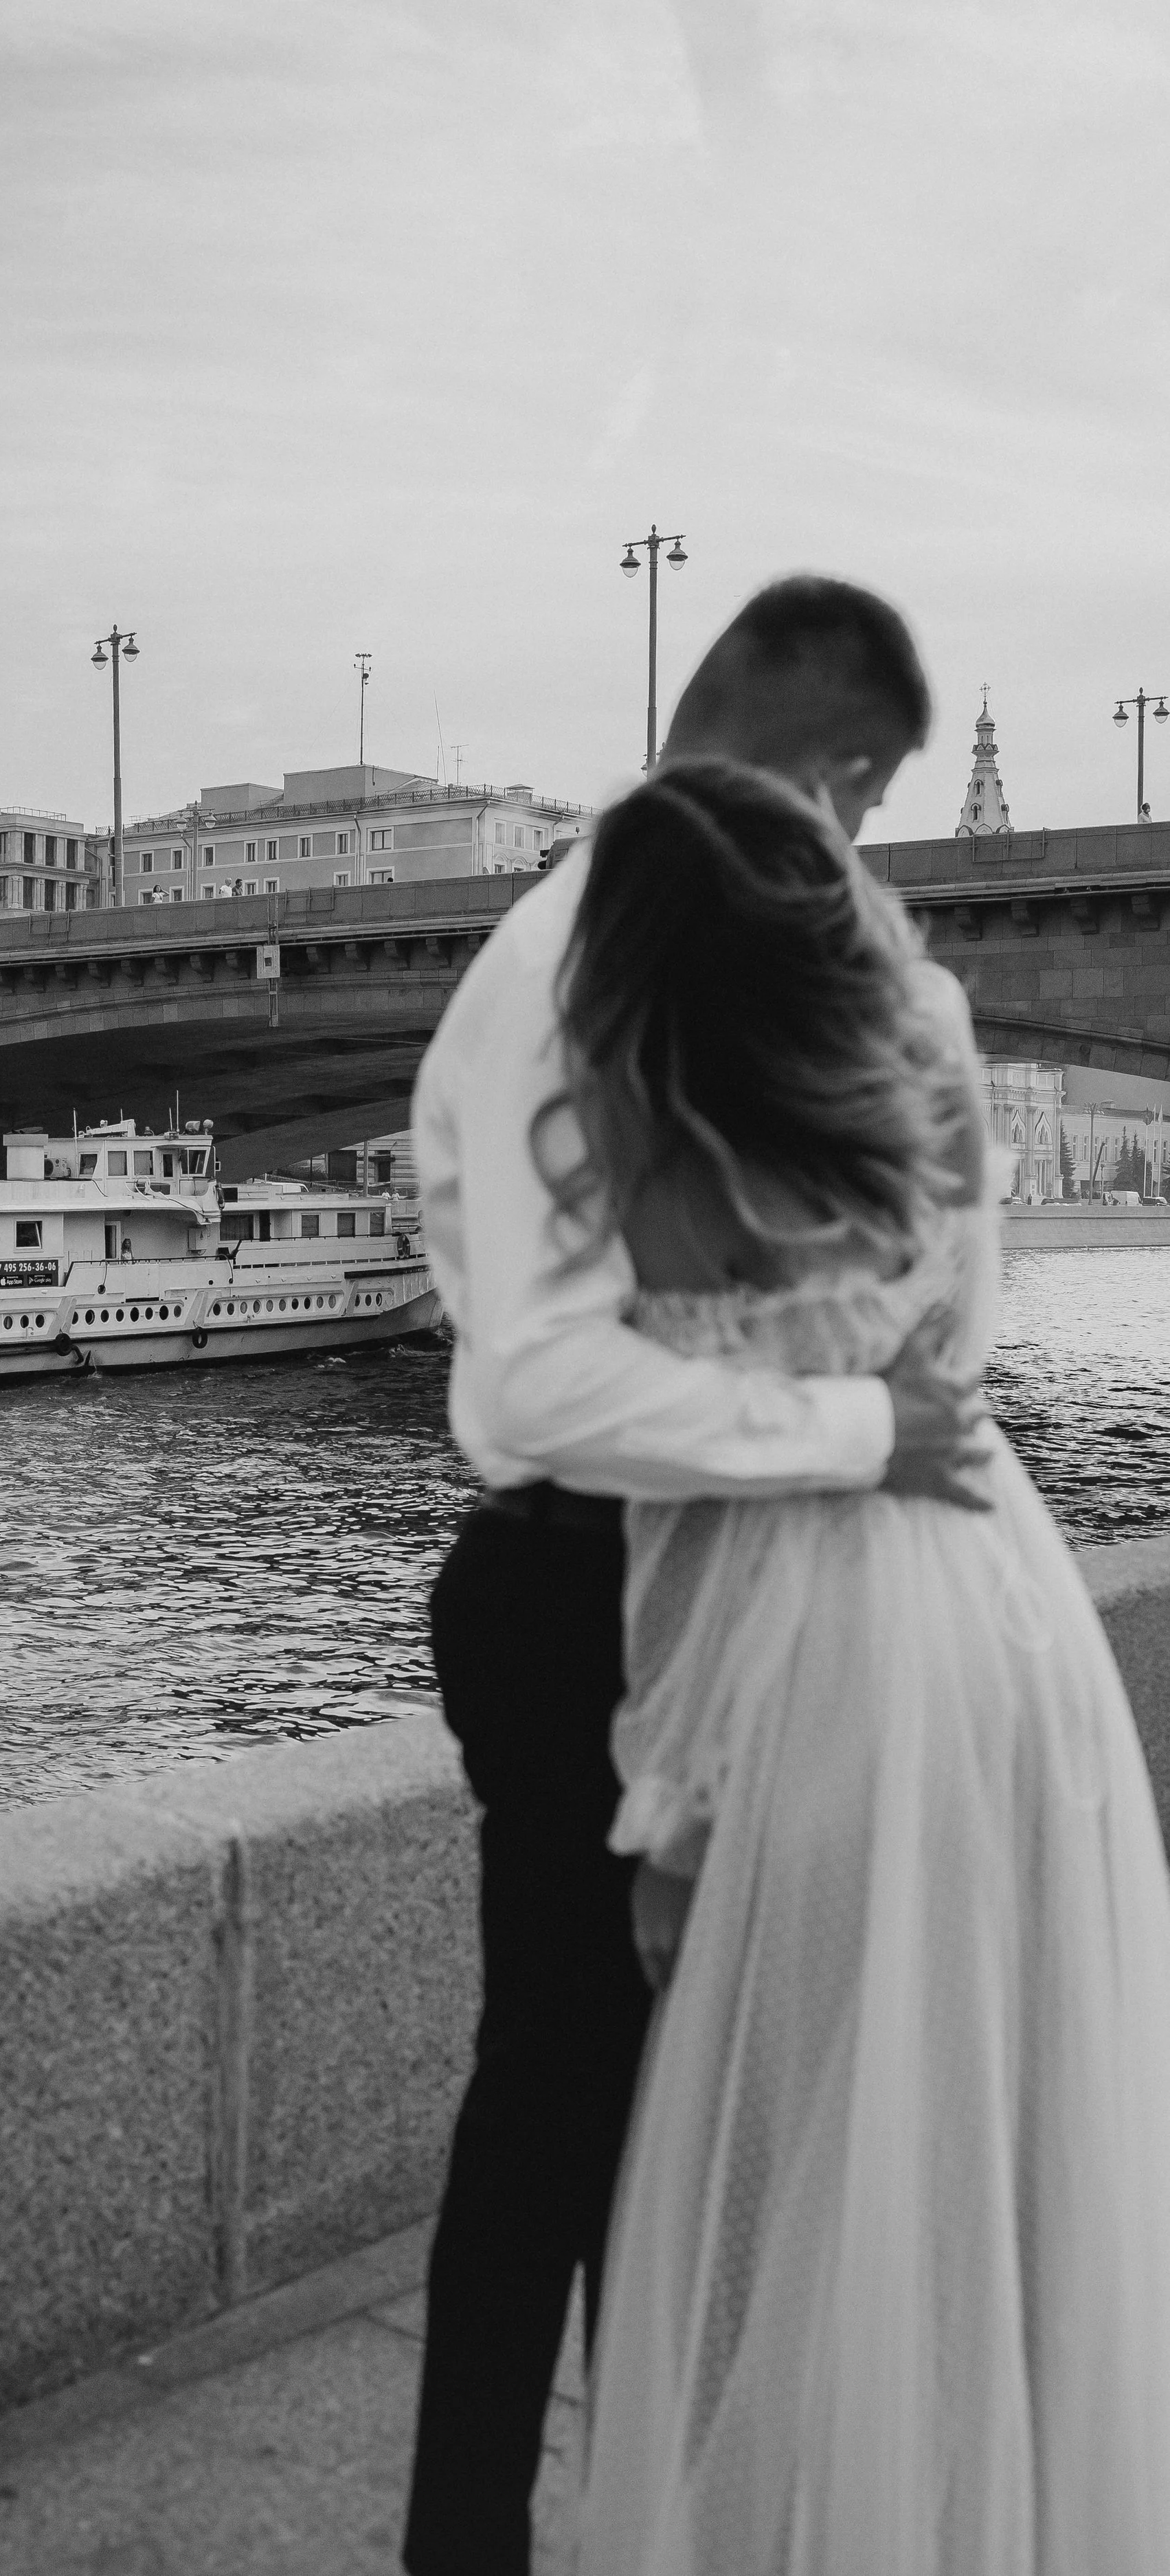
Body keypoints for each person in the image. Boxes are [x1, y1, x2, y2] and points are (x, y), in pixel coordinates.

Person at [403, 578, 986, 2576]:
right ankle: (493, 2538)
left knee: (628, 2121)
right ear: (823, 770)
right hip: (589, 1587)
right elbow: (547, 1379)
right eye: (870, 804)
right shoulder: (593, 953)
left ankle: (600, 2512)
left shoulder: (629, 937)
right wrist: (857, 1433)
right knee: (581, 2112)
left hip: (647, 1582)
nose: (862, 855)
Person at [567, 760, 1170, 2573]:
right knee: (996, 2128)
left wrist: (666, 1814)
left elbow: (681, 1504)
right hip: (1005, 1598)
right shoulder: (929, 1055)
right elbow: (964, 1333)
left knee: (791, 2169)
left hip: (823, 1633)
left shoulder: (675, 1123)